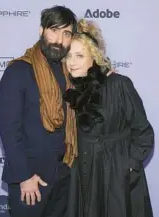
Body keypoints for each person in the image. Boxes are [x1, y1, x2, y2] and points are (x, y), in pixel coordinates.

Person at [63, 19, 154, 217]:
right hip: (85, 174)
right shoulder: (73, 90)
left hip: (116, 175)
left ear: (93, 57)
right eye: (68, 55)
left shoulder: (119, 84)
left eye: (79, 55)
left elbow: (143, 132)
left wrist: (128, 166)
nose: (71, 62)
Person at [0, 5, 78, 217]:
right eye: (54, 30)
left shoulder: (70, 72)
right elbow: (9, 129)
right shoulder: (18, 70)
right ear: (42, 30)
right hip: (31, 181)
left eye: (66, 33)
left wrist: (108, 75)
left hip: (63, 178)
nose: (59, 40)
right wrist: (24, 177)